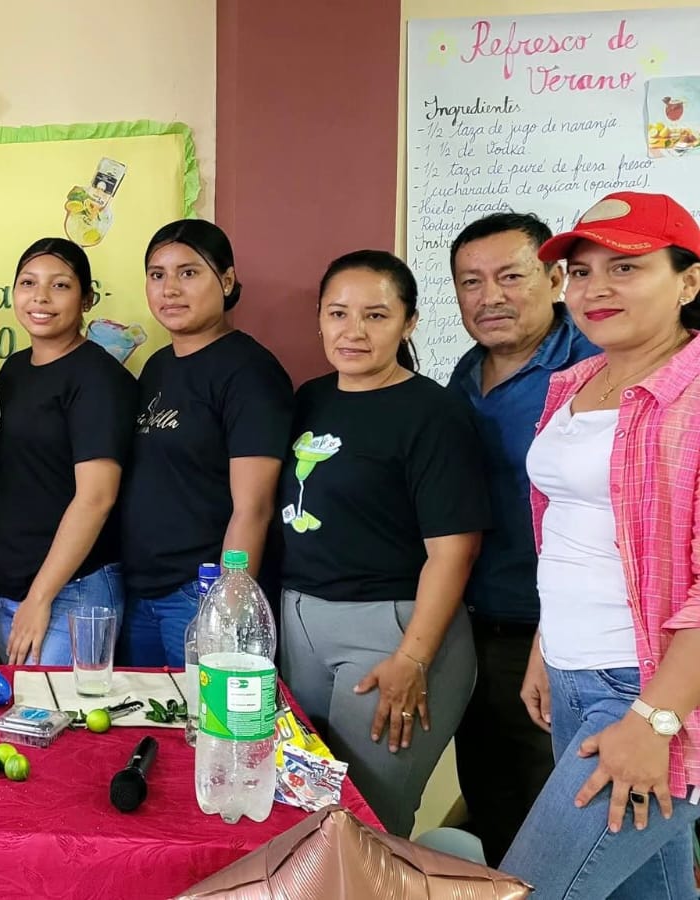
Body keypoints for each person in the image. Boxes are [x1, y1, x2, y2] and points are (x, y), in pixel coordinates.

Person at [502, 192, 700, 900]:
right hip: (575, 675)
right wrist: (546, 645)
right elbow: (572, 531)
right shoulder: (577, 382)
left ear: (688, 281)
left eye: (626, 268)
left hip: (648, 690)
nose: (595, 289)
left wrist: (655, 719)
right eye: (581, 273)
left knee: (522, 890)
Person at [276, 250, 487, 837]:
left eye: (375, 315)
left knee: (366, 825)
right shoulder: (309, 398)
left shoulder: (432, 414)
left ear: (409, 322)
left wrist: (412, 658)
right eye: (338, 313)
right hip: (299, 623)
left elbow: (454, 551)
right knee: (302, 816)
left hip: (390, 631)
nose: (354, 331)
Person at [445, 212, 599, 864]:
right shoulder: (464, 374)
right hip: (470, 627)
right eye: (471, 282)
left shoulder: (595, 368)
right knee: (492, 802)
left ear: (555, 279)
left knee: (561, 831)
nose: (490, 297)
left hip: (557, 641)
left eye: (510, 276)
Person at [118, 220, 292, 668]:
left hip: (200, 595)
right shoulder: (157, 366)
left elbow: (254, 507)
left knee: (203, 713)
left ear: (227, 281)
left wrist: (226, 611)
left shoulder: (249, 372)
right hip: (140, 592)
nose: (170, 289)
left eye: (189, 273)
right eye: (157, 275)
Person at [0, 238, 135, 665]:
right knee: (19, 706)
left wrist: (40, 597)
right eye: (28, 283)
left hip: (70, 591)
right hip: (5, 588)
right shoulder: (14, 369)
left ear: (87, 299)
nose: (40, 297)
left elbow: (96, 497)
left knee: (59, 707)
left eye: (60, 285)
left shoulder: (98, 378)